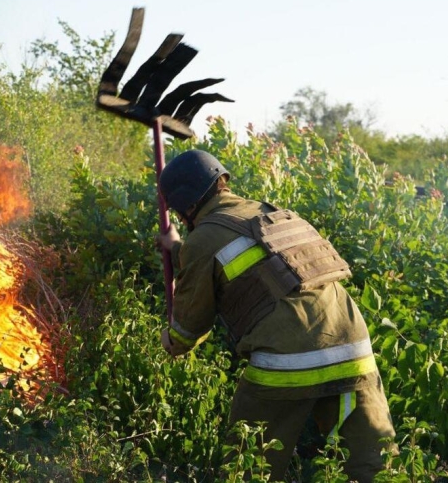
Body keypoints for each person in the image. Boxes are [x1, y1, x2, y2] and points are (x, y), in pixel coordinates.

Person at [156, 149, 395, 482]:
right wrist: (178, 248)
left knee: (249, 464)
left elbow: (189, 327)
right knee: (372, 466)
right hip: (351, 347)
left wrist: (173, 340)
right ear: (221, 181)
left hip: (287, 358)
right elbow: (256, 259)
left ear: (186, 205)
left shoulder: (203, 239)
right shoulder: (272, 213)